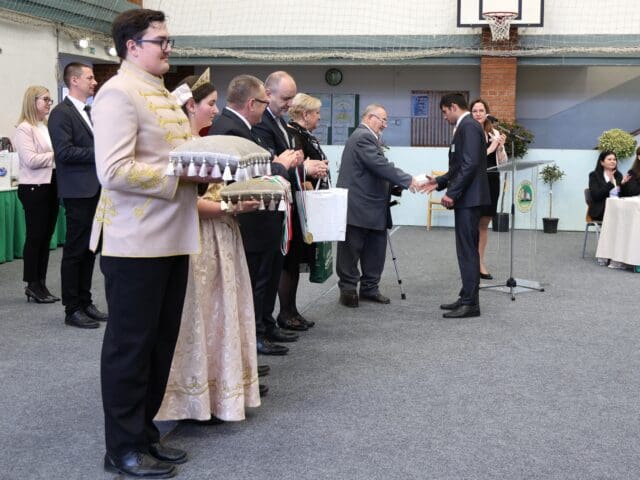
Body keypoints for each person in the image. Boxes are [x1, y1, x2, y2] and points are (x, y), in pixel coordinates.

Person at [91, 8, 212, 478]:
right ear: (132, 46)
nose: (168, 48)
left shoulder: (158, 91)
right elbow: (114, 170)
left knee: (160, 345)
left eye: (167, 40)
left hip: (171, 237)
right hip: (135, 241)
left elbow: (174, 156)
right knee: (130, 349)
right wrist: (182, 175)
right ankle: (121, 448)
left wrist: (203, 168)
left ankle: (144, 435)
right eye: (160, 40)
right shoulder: (118, 93)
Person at [156, 71, 262, 422]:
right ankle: (195, 396)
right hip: (200, 238)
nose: (215, 111)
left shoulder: (202, 141)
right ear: (191, 106)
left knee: (223, 313)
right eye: (211, 104)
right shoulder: (184, 148)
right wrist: (229, 207)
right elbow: (188, 201)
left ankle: (222, 390)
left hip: (222, 236)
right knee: (202, 315)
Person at [209, 74, 299, 356]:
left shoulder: (243, 127)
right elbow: (244, 175)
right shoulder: (230, 129)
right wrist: (280, 166)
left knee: (265, 278)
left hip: (261, 216)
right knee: (256, 282)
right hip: (250, 218)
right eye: (263, 102)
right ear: (252, 103)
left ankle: (264, 326)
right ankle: (255, 336)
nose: (266, 108)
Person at [336, 104, 421, 308]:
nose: (385, 124)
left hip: (372, 205)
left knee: (375, 250)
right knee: (351, 249)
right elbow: (379, 165)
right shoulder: (363, 137)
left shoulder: (369, 137)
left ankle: (369, 288)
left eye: (386, 120)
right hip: (359, 205)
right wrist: (408, 180)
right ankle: (348, 290)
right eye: (382, 120)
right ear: (369, 118)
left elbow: (373, 170)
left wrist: (393, 186)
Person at [48, 62, 107, 329]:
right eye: (89, 78)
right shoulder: (61, 113)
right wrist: (101, 153)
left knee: (90, 249)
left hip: (95, 189)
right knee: (75, 251)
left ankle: (85, 301)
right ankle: (72, 308)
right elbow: (64, 152)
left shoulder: (90, 111)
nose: (94, 82)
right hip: (78, 192)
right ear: (74, 81)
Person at [423, 93, 490, 319]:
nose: (444, 117)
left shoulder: (468, 126)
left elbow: (469, 165)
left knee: (467, 251)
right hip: (469, 198)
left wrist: (452, 193)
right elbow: (459, 166)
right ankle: (466, 296)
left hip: (469, 199)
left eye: (444, 112)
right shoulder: (467, 126)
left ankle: (471, 304)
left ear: (453, 107)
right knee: (467, 249)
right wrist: (439, 181)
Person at [279, 93, 329, 328]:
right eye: (316, 112)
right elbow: (297, 168)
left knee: (296, 261)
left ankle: (293, 310)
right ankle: (286, 313)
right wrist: (310, 176)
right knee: (290, 261)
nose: (319, 117)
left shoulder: (305, 134)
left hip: (306, 204)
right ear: (305, 114)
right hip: (297, 204)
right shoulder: (294, 135)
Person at [13, 86, 59, 304]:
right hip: (34, 187)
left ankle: (41, 282)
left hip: (51, 184)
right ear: (33, 102)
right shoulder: (24, 128)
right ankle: (32, 284)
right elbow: (30, 160)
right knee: (35, 237)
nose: (49, 103)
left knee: (46, 237)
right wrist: (57, 153)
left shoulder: (45, 126)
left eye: (50, 100)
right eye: (45, 99)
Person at [470, 98, 507, 280]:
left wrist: (500, 147)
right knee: (472, 223)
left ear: (487, 113)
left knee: (484, 224)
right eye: (475, 111)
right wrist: (492, 147)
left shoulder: (493, 132)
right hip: (475, 181)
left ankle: (480, 262)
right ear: (470, 114)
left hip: (492, 180)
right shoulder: (467, 132)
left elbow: (503, 162)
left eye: (481, 110)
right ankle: (470, 262)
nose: (478, 114)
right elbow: (473, 159)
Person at [588, 150, 622, 221]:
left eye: (614, 159)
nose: (613, 161)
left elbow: (621, 195)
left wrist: (625, 186)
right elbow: (596, 195)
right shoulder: (594, 175)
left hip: (617, 206)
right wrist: (610, 183)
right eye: (609, 159)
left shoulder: (618, 175)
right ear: (602, 162)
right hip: (601, 209)